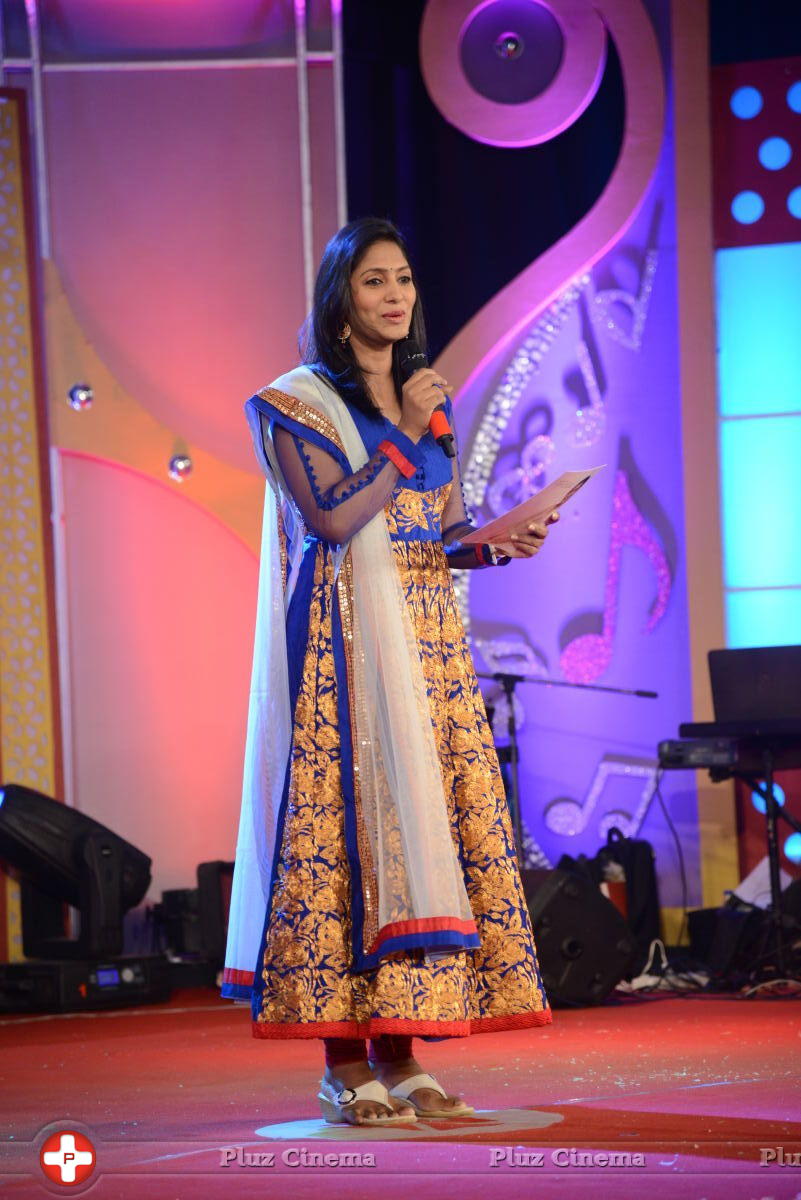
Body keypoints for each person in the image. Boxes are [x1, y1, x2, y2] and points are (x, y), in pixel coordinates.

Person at [222, 217, 556, 1126]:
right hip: (338, 655)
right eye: (374, 281)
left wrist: (493, 547)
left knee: (419, 832)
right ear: (340, 302)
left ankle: (400, 1050)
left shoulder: (421, 398)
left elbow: (430, 534)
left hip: (427, 645)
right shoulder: (292, 404)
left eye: (403, 278)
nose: (395, 295)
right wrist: (404, 434)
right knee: (345, 836)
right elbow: (333, 520)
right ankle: (341, 1062)